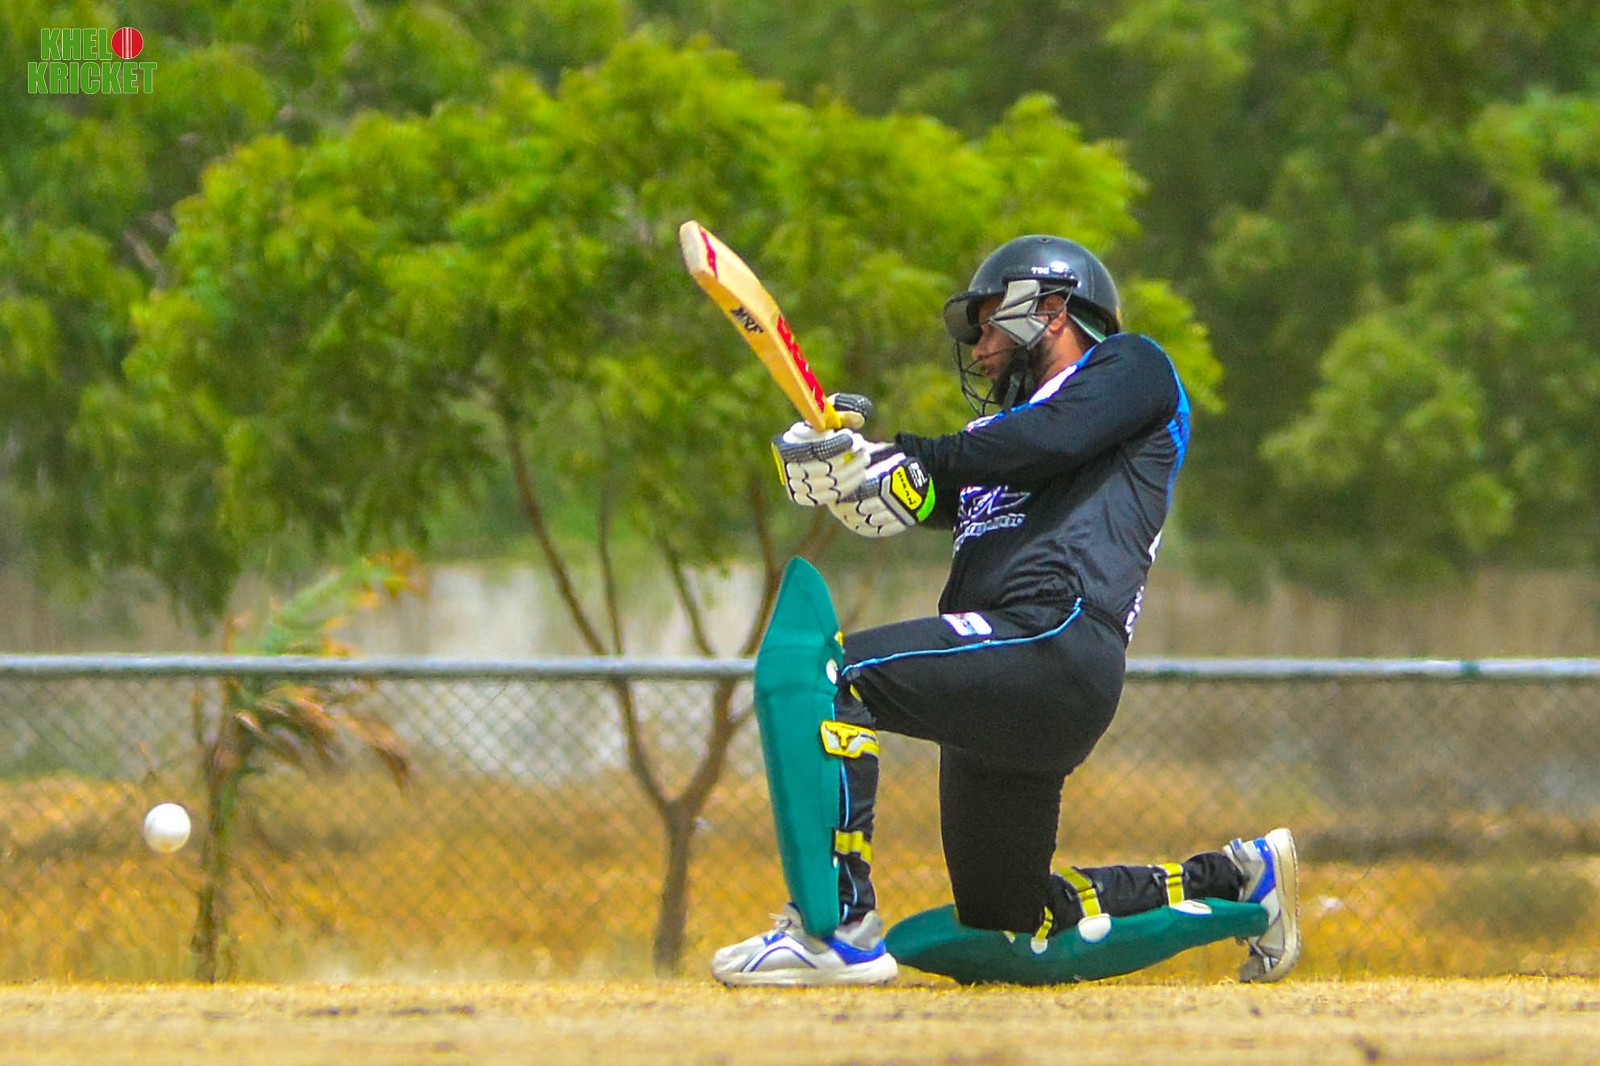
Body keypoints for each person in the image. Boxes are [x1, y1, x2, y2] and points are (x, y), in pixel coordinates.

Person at [711, 235, 1299, 987]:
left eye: (990, 324)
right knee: (1009, 921)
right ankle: (1242, 884)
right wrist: (840, 470)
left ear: (1049, 308)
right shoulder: (995, 439)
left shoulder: (1130, 368)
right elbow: (911, 494)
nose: (980, 348)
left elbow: (1048, 441)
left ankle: (836, 930)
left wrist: (911, 452)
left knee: (830, 678)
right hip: (1010, 679)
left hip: (1052, 635)